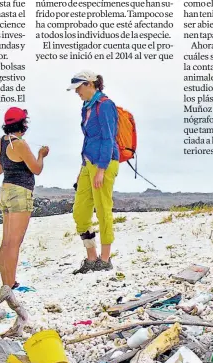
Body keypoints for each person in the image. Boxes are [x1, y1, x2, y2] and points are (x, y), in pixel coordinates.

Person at [67, 71, 120, 274]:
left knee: (103, 208)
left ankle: (105, 260)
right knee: (80, 211)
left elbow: (108, 137)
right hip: (88, 163)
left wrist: (101, 168)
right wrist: (83, 168)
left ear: (90, 84)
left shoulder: (105, 105)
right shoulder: (86, 107)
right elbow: (88, 139)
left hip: (104, 163)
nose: (77, 93)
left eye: (79, 88)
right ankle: (91, 257)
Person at [0, 107, 49, 288]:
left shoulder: (0, 143)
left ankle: (6, 284)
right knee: (14, 243)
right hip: (20, 192)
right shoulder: (19, 144)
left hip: (6, 189)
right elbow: (36, 169)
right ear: (23, 124)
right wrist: (41, 155)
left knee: (6, 242)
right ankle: (9, 286)